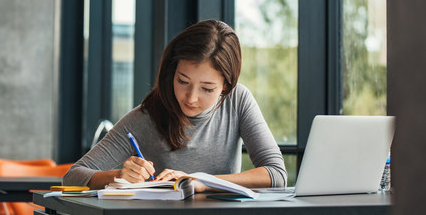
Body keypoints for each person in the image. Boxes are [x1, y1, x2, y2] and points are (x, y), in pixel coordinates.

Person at [63, 19, 287, 191]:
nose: (191, 98)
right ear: (171, 72)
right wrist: (118, 176)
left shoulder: (238, 101)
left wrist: (200, 181)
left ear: (226, 86)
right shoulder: (147, 117)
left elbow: (276, 174)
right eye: (182, 81)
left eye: (207, 89)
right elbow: (72, 176)